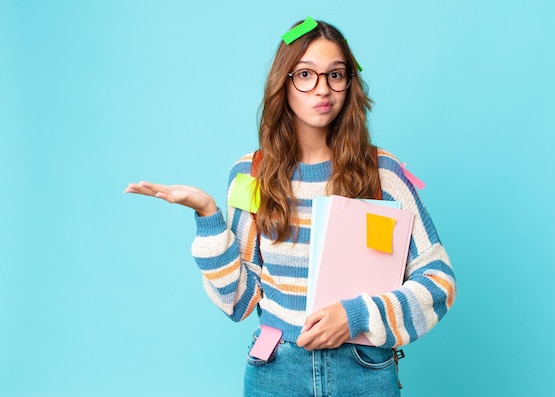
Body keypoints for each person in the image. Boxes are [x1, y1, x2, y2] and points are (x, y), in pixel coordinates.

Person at [125, 18, 456, 397]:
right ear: (284, 82)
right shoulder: (251, 175)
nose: (323, 89)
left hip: (364, 370)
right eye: (305, 74)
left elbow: (439, 280)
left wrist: (357, 315)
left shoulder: (383, 172)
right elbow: (239, 300)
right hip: (277, 370)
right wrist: (207, 216)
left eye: (336, 74)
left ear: (350, 83)